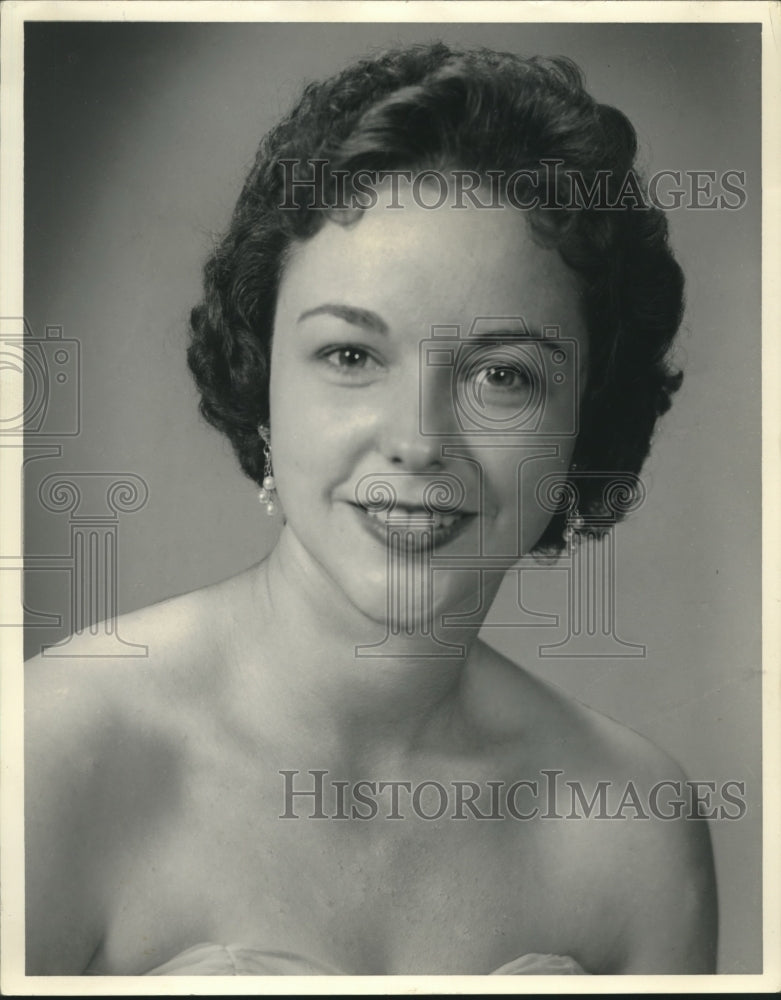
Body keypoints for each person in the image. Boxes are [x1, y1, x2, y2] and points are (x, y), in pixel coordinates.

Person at [25, 42, 717, 976]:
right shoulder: (49, 757)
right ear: (260, 377)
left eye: (502, 375)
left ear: (585, 423)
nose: (418, 439)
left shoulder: (635, 831)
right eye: (351, 356)